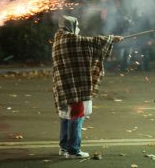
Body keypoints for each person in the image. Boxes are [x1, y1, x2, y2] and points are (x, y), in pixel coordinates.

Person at [52, 15, 123, 159]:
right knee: (76, 115)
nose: (78, 29)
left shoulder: (59, 40)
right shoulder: (70, 39)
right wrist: (111, 38)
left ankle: (64, 148)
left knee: (66, 116)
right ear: (70, 26)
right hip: (74, 86)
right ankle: (74, 149)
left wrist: (109, 39)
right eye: (76, 26)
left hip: (63, 85)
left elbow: (85, 42)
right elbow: (91, 42)